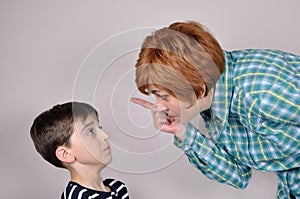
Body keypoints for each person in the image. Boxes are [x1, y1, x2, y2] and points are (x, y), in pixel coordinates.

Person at [131, 21, 300, 198]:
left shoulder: (262, 89)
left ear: (199, 88)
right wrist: (182, 131)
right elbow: (239, 176)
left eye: (164, 96)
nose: (159, 106)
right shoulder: (213, 102)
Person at [30, 101, 130, 199]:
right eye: (90, 132)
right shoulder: (77, 196)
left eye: (99, 127)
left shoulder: (118, 187)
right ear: (65, 154)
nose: (105, 135)